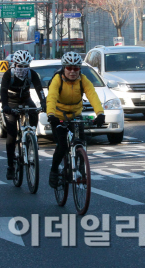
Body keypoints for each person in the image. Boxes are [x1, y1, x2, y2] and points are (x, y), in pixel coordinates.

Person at [46, 51, 105, 188]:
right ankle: (54, 171)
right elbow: (52, 97)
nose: (72, 71)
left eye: (76, 68)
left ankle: (80, 165)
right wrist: (51, 115)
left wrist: (100, 113)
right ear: (63, 68)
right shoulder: (57, 80)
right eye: (69, 68)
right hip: (59, 116)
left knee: (81, 141)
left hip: (75, 114)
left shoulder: (83, 80)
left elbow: (92, 96)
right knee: (61, 146)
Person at [0, 50, 46, 180]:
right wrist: (5, 106)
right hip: (11, 102)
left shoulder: (32, 74)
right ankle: (10, 166)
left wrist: (43, 102)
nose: (23, 69)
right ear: (15, 64)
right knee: (12, 134)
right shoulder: (9, 74)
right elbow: (3, 90)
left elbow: (39, 89)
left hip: (25, 99)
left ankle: (31, 135)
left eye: (26, 66)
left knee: (34, 111)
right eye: (20, 66)